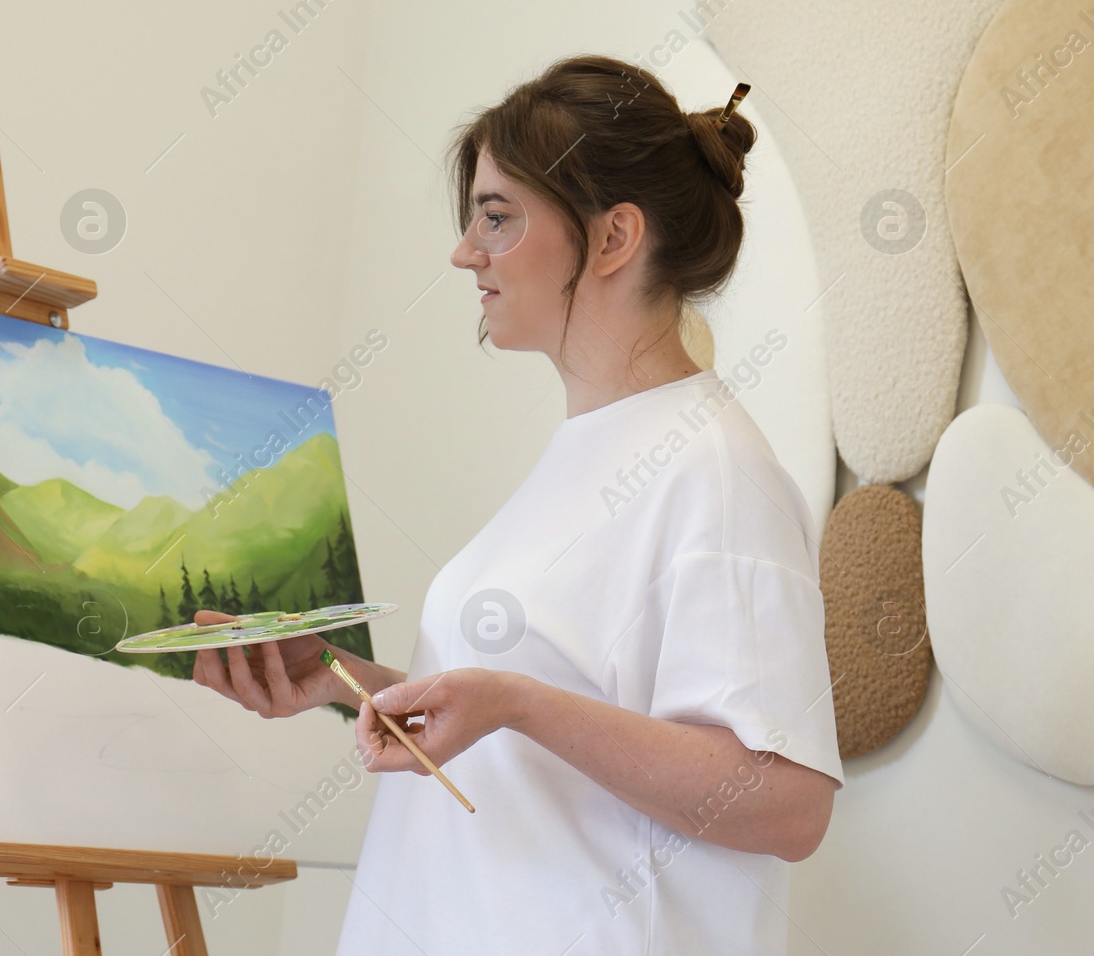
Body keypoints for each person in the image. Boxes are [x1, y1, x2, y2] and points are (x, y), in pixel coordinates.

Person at [191, 53, 843, 955]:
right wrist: (346, 679)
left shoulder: (716, 471)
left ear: (613, 238)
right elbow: (528, 729)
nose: (465, 251)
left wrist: (516, 701)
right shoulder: (590, 450)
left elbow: (787, 800)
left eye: (496, 217)